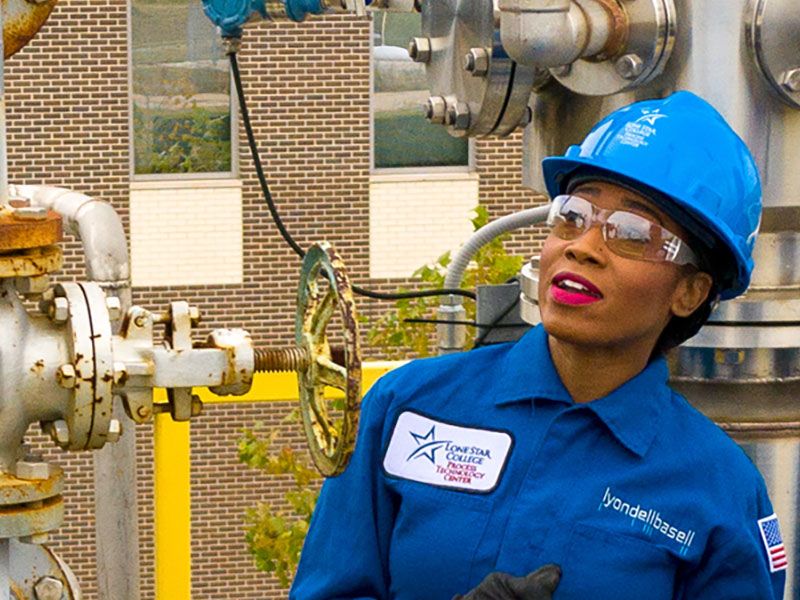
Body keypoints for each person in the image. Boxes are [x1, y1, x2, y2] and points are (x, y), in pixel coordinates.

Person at [290, 91, 787, 599]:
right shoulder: (408, 408)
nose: (582, 246)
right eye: (573, 214)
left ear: (690, 292)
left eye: (632, 232)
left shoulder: (718, 489)